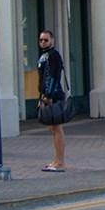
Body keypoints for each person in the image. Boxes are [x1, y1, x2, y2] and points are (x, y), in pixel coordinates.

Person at [37, 30, 67, 172]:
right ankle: (56, 160)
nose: (43, 42)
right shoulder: (44, 56)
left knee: (57, 128)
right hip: (47, 95)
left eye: (46, 40)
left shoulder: (53, 55)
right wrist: (41, 96)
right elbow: (43, 78)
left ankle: (60, 162)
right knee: (53, 129)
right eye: (41, 40)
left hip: (53, 96)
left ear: (52, 41)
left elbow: (54, 77)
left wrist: (48, 96)